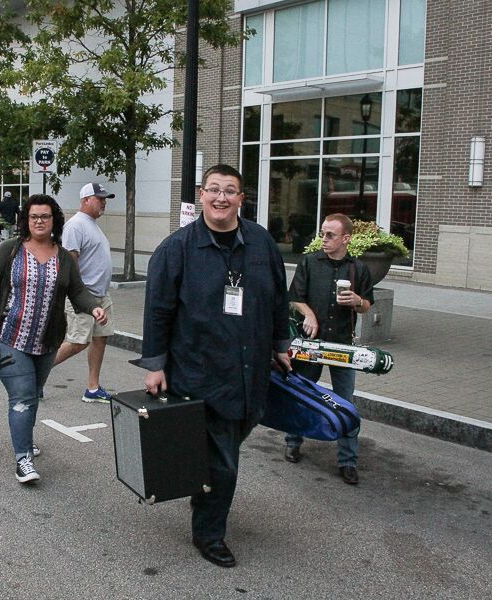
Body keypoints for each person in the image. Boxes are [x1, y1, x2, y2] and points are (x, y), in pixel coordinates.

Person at [133, 164, 290, 569]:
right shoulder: (177, 249)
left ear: (241, 199)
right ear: (201, 195)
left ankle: (203, 489)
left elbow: (277, 300)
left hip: (251, 371)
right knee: (224, 462)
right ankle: (209, 534)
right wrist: (155, 365)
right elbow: (158, 311)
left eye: (230, 191)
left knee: (230, 441)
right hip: (200, 371)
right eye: (214, 189)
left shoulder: (262, 243)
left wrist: (281, 346)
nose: (222, 198)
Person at [0, 194, 107, 484]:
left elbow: (77, 291)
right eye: (34, 216)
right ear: (26, 220)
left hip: (46, 341)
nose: (39, 221)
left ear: (54, 220)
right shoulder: (10, 250)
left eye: (45, 216)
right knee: (22, 395)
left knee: (32, 394)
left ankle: (25, 439)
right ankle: (23, 459)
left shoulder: (64, 257)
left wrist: (93, 308)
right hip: (8, 337)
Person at [284, 213, 374, 485]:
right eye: (322, 233)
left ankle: (348, 461)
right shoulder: (309, 262)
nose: (323, 239)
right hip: (312, 343)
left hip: (342, 345)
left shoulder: (358, 268)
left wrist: (357, 300)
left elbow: (366, 305)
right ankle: (293, 442)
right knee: (302, 395)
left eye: (330, 235)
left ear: (346, 238)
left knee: (346, 403)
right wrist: (309, 314)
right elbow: (295, 297)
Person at [52, 182, 116, 403]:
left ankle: (92, 388)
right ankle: (36, 374)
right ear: (86, 200)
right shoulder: (75, 225)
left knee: (100, 337)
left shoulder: (92, 225)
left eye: (105, 199)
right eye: (100, 199)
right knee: (78, 342)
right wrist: (79, 295)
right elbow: (71, 263)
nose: (104, 203)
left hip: (101, 294)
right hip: (84, 295)